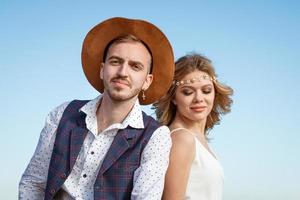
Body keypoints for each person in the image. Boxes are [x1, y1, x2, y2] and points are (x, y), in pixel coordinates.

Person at [19, 17, 175, 200]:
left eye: (135, 66)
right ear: (102, 69)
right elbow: (33, 182)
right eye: (115, 62)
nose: (123, 72)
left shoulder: (156, 136)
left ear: (147, 81)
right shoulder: (63, 114)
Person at [154, 53, 233, 200]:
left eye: (206, 90)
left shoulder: (198, 140)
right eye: (188, 92)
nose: (199, 98)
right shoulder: (182, 139)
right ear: (174, 98)